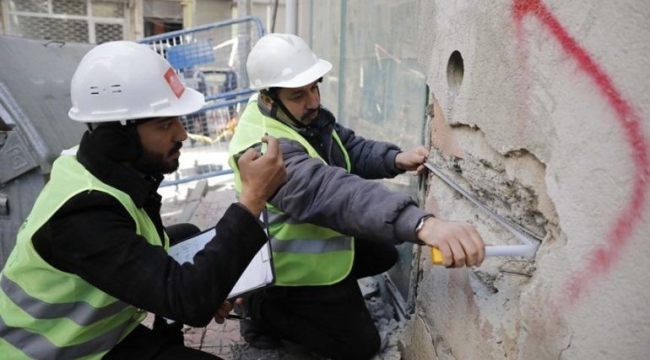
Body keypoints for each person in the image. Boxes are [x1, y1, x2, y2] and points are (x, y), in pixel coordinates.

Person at [0, 41, 285, 360]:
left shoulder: (100, 166)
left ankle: (166, 335)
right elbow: (190, 302)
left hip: (99, 334)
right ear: (118, 137)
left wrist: (209, 284)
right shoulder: (83, 214)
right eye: (165, 124)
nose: (182, 134)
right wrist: (252, 198)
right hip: (56, 352)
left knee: (187, 236)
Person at [228, 33, 486, 360]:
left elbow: (346, 147)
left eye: (314, 87)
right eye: (298, 94)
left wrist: (394, 159)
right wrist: (421, 223)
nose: (313, 101)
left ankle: (315, 305)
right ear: (268, 98)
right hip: (288, 269)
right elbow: (331, 191)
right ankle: (261, 308)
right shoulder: (263, 150)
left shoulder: (296, 116)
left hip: (315, 252)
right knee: (360, 347)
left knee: (384, 253)